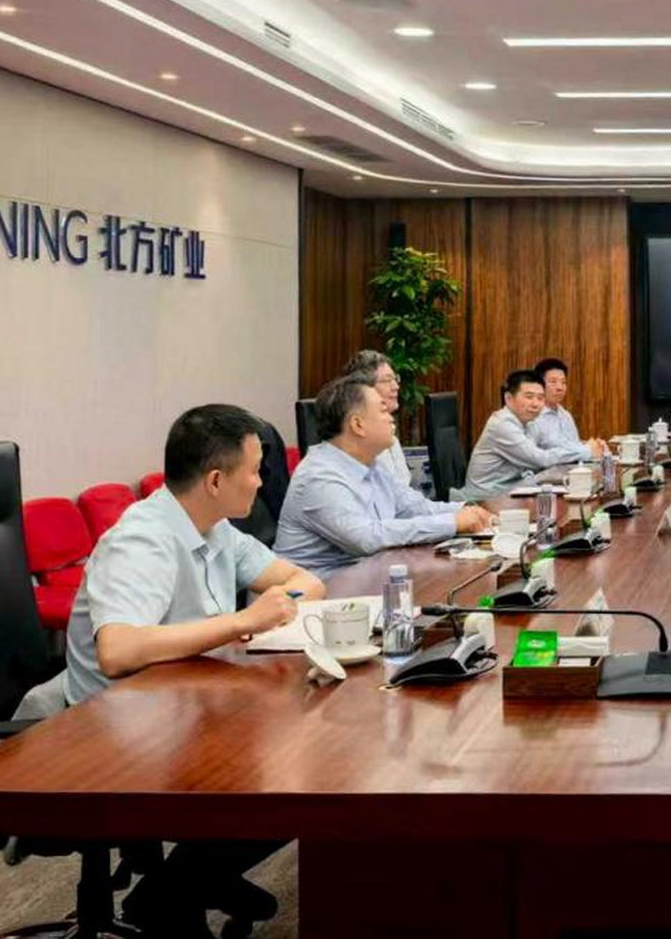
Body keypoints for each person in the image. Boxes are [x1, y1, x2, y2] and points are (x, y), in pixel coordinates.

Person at [64, 404, 325, 933]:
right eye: (254, 470)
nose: (262, 482)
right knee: (280, 788)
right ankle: (171, 896)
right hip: (108, 733)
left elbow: (305, 581)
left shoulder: (215, 529)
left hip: (183, 710)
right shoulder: (142, 539)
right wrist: (241, 622)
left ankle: (178, 888)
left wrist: (275, 607)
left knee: (305, 767)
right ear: (215, 480)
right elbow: (118, 650)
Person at [274, 374, 492, 575]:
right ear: (357, 425)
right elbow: (366, 538)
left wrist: (468, 511)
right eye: (383, 411)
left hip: (369, 577)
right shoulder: (319, 476)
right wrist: (451, 522)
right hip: (321, 592)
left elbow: (412, 507)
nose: (391, 418)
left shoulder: (372, 463)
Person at [464, 370, 606, 499]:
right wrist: (586, 451)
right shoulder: (502, 424)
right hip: (484, 498)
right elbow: (540, 459)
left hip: (512, 490)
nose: (535, 404)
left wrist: (588, 446)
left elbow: (551, 446)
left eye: (540, 398)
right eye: (529, 397)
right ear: (508, 398)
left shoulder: (529, 421)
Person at [342, 349, 411, 487]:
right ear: (364, 389)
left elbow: (403, 491)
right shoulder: (359, 439)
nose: (396, 387)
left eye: (395, 379)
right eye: (387, 380)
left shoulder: (390, 433)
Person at [528, 356, 606, 459]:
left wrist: (594, 446)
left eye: (563, 382)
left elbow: (572, 447)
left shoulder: (565, 415)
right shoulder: (532, 417)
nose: (560, 387)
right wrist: (587, 450)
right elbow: (534, 457)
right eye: (553, 382)